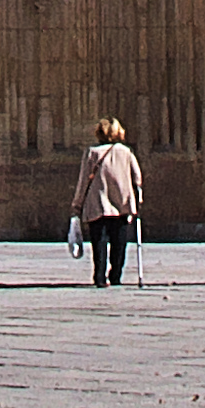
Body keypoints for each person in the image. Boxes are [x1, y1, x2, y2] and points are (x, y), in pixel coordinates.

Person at [70, 117, 145, 288]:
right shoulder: (126, 152)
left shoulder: (92, 152)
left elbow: (83, 181)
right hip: (121, 204)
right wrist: (137, 199)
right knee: (119, 242)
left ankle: (100, 276)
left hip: (98, 204)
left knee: (99, 241)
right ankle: (116, 274)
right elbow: (137, 178)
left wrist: (77, 204)